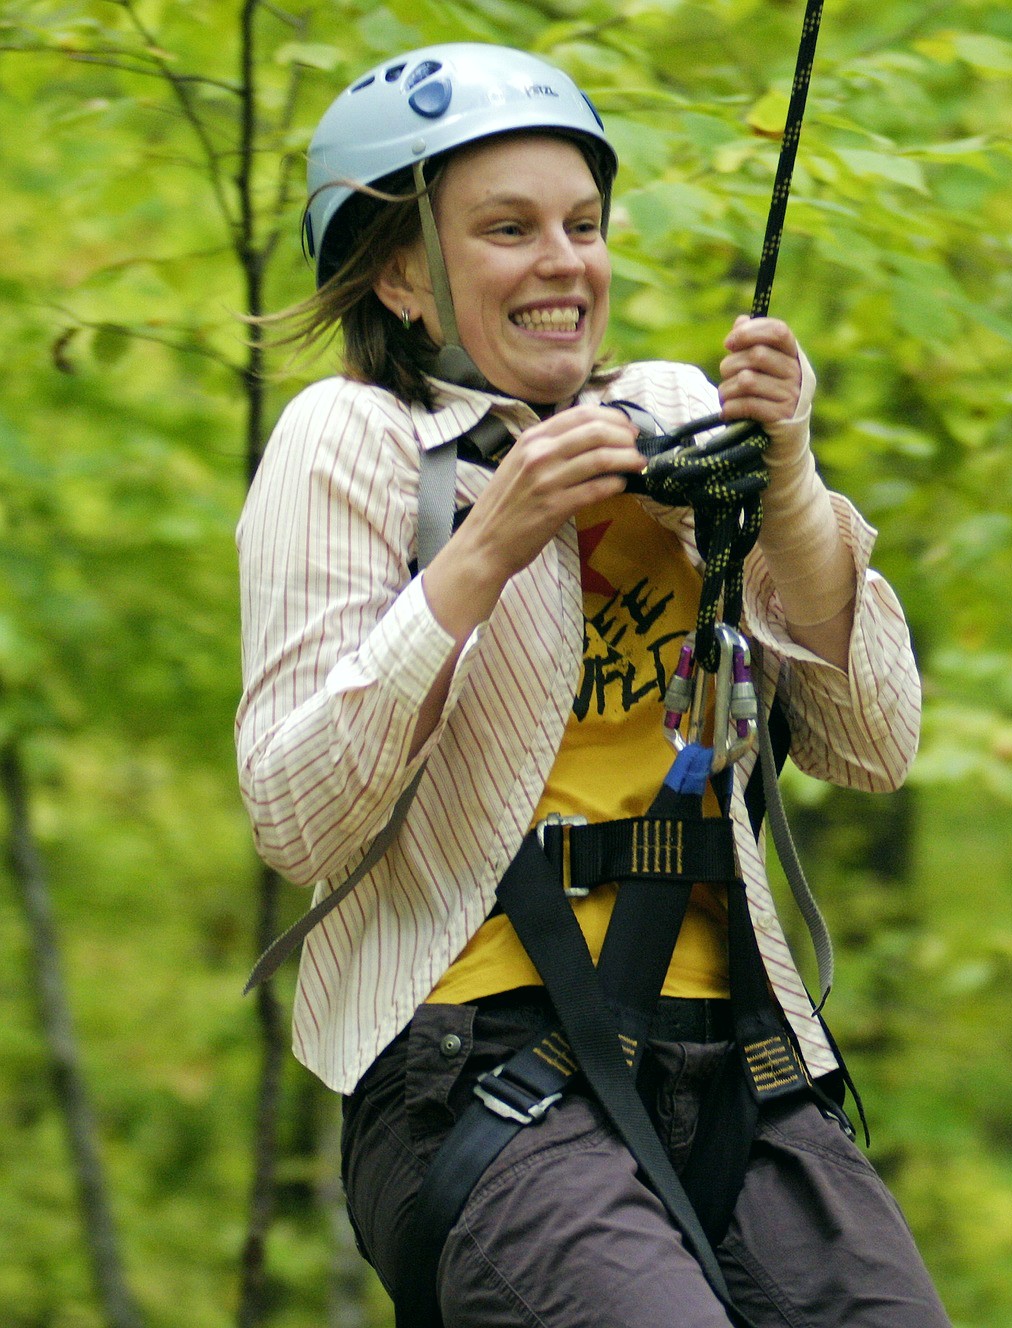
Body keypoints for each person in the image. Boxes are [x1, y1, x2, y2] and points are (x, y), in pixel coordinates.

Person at [236, 43, 947, 1326]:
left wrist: (789, 481)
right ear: (400, 273)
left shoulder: (677, 414)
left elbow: (875, 741)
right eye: (508, 229)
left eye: (583, 224)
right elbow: (296, 818)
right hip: (474, 1062)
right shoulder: (352, 438)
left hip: (741, 1054)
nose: (565, 262)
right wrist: (487, 547)